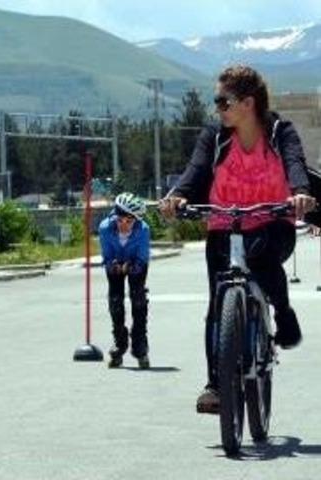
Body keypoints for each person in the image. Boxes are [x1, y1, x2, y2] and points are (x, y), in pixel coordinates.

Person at [159, 65, 317, 414]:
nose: (218, 108)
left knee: (261, 257)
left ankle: (283, 312)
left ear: (247, 103)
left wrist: (300, 192)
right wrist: (177, 195)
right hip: (223, 225)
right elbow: (196, 170)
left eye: (222, 101)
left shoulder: (279, 130)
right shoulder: (215, 136)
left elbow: (295, 163)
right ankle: (215, 384)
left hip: (272, 223)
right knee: (217, 303)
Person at [98, 193, 151, 369]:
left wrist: (131, 266)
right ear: (115, 217)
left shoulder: (143, 230)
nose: (124, 226)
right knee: (115, 301)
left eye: (129, 222)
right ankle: (119, 343)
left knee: (138, 299)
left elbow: (143, 259)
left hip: (136, 263)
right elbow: (106, 256)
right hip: (115, 264)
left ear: (135, 220)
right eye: (120, 221)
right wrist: (114, 265)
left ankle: (140, 345)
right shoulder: (105, 228)